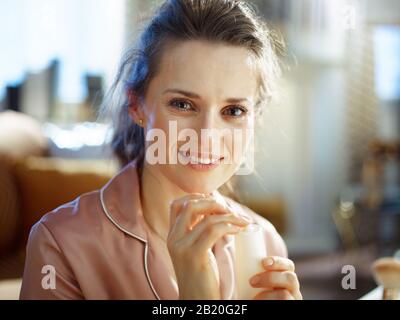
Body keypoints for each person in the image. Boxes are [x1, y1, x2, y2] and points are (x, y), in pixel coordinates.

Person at [20, 0, 302, 300]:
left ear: (254, 119)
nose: (207, 136)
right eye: (182, 104)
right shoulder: (61, 244)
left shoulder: (265, 241)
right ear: (136, 105)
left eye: (233, 110)